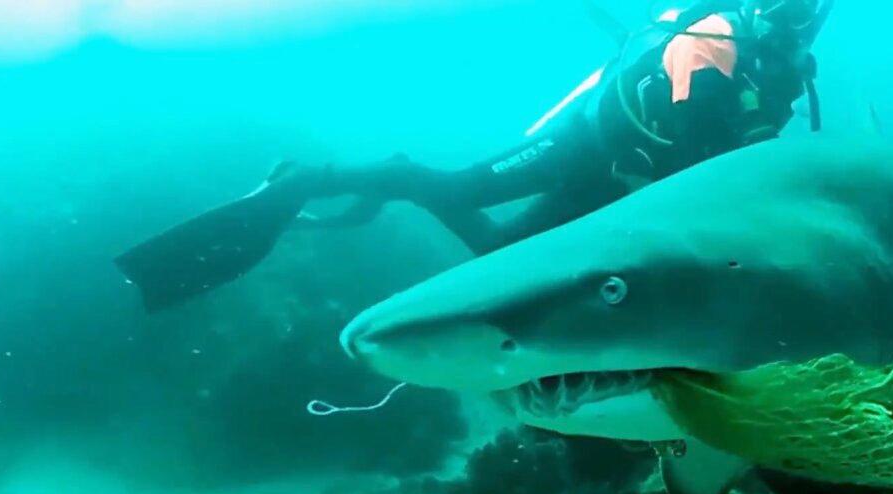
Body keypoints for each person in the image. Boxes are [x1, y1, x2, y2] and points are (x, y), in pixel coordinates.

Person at [116, 0, 834, 312]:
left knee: (497, 264)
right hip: (587, 147)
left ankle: (362, 199)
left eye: (815, 9)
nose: (803, 18)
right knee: (458, 192)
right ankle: (325, 179)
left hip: (626, 188)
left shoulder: (785, 70)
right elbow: (689, 107)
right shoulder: (718, 36)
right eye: (796, 4)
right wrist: (745, 131)